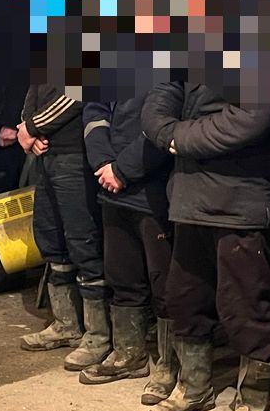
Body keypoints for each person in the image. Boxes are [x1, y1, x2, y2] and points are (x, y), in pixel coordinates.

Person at [140, 81, 270, 411]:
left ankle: (253, 406)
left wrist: (178, 137)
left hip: (241, 202)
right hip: (189, 199)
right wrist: (166, 133)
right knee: (184, 298)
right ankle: (194, 387)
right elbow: (160, 96)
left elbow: (247, 120)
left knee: (246, 308)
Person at [77, 96, 176, 395]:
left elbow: (165, 125)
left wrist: (122, 170)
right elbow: (94, 110)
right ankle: (129, 355)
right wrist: (103, 163)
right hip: (112, 189)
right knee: (122, 275)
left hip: (156, 191)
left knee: (166, 285)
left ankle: (172, 365)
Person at [17, 83, 109, 364]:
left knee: (84, 242)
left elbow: (78, 92)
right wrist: (27, 129)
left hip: (75, 154)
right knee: (51, 238)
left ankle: (98, 335)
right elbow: (35, 89)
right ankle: (66, 325)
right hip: (47, 155)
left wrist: (32, 127)